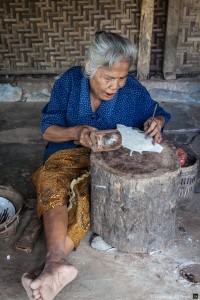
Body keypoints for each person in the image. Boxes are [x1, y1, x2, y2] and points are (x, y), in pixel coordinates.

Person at [22, 31, 170, 300]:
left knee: (89, 200)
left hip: (107, 163)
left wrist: (156, 123)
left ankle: (53, 266)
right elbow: (47, 130)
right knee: (50, 183)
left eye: (122, 77)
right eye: (108, 77)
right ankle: (56, 265)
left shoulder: (133, 92)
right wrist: (75, 133)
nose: (115, 86)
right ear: (90, 68)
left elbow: (157, 113)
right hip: (64, 154)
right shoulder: (69, 82)